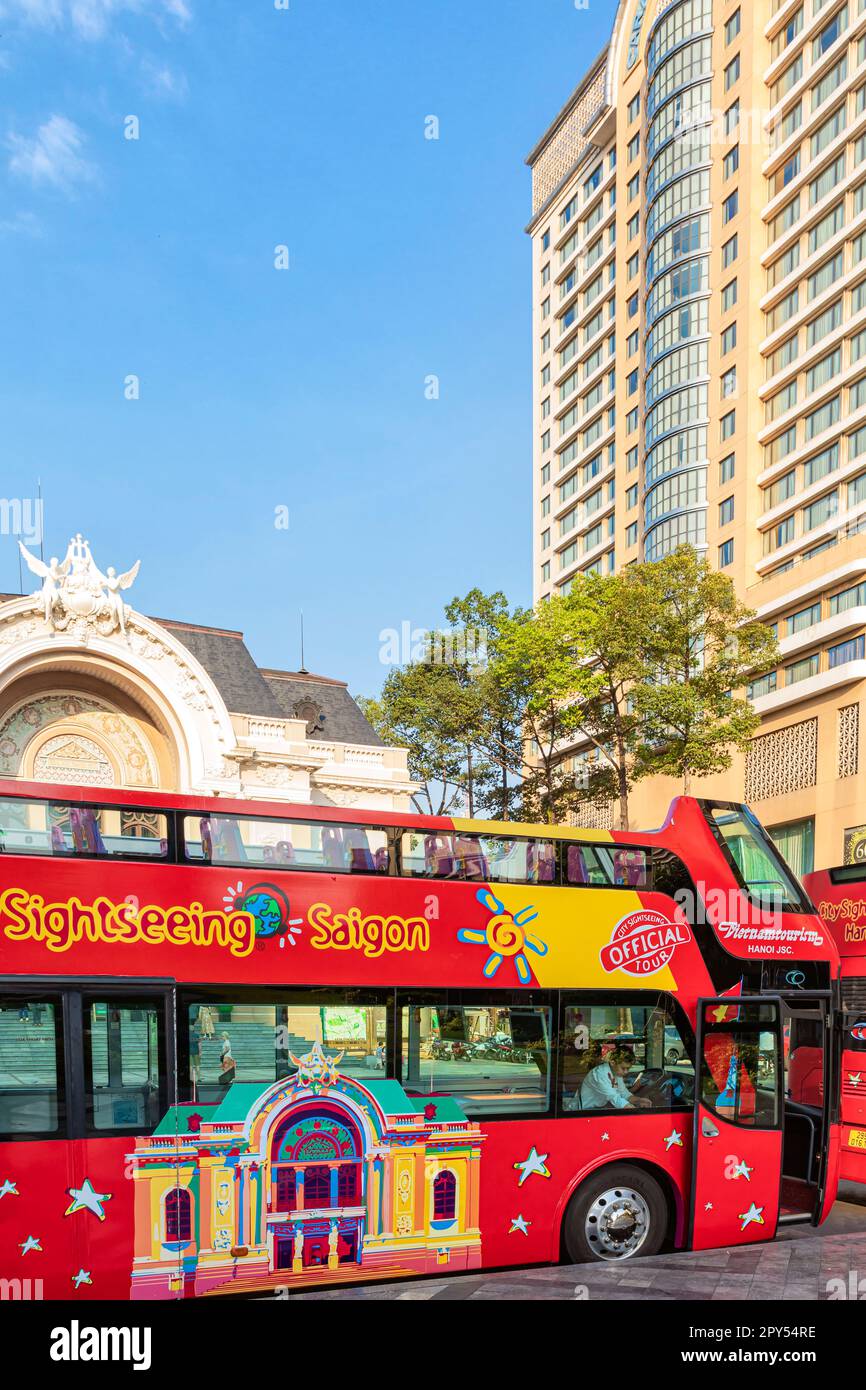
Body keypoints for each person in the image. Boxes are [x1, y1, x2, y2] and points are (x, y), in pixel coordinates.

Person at [580, 1043, 652, 1110]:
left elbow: (624, 1094)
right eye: (623, 1068)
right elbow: (615, 1099)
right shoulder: (599, 1074)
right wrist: (637, 1112)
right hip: (583, 1112)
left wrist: (639, 1100)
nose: (626, 1072)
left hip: (597, 1109)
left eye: (628, 1068)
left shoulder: (616, 1073)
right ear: (612, 1062)